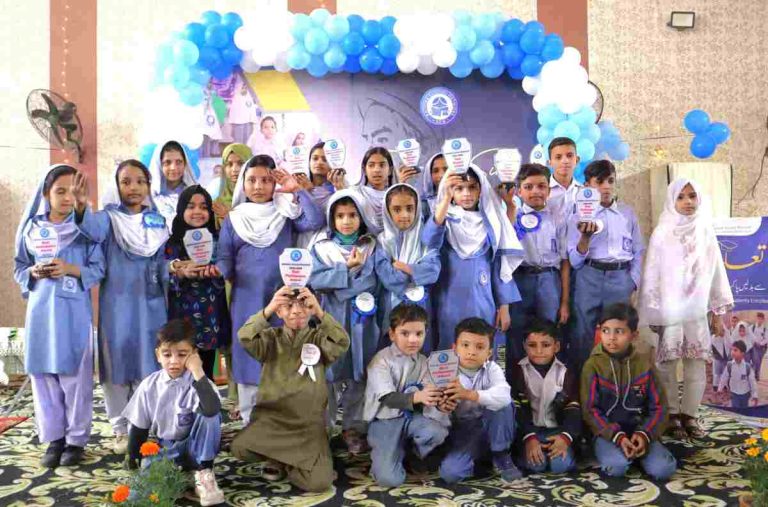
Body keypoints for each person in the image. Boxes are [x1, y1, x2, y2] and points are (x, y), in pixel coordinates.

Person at [216, 154, 324, 425]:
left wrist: (295, 190)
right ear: (243, 183)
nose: (258, 186)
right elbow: (224, 257)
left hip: (285, 299)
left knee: (282, 354)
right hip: (246, 298)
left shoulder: (285, 211)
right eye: (252, 180)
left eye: (266, 180)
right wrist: (219, 271)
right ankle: (251, 422)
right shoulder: (235, 218)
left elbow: (313, 221)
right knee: (249, 351)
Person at [73, 160, 170, 454]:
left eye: (140, 181)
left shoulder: (158, 222)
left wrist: (176, 268)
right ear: (117, 187)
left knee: (148, 363)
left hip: (151, 304)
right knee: (116, 362)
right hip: (117, 304)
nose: (134, 188)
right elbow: (89, 226)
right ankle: (119, 428)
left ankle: (144, 427)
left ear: (148, 186)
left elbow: (162, 263)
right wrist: (80, 206)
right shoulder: (108, 219)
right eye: (126, 181)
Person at [14, 165, 105, 467]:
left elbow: (98, 269)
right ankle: (54, 439)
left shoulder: (85, 229)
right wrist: (32, 272)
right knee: (43, 374)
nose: (67, 197)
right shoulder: (31, 228)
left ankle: (76, 440)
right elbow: (19, 268)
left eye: (73, 190)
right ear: (46, 193)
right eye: (60, 191)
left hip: (73, 311)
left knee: (75, 377)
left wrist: (70, 269)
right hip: (40, 311)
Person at [639, 178, 733, 438]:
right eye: (681, 197)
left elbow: (716, 272)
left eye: (692, 195)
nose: (688, 202)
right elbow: (652, 275)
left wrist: (717, 312)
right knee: (666, 364)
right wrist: (652, 312)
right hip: (668, 310)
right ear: (672, 200)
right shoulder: (662, 232)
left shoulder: (704, 230)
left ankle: (690, 414)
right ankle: (670, 415)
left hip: (697, 310)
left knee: (695, 364)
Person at [230, 286, 350, 492]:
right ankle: (288, 460)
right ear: (279, 311)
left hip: (308, 426)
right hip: (272, 421)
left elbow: (342, 341)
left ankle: (283, 461)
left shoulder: (319, 339)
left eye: (303, 304)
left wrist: (320, 312)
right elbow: (245, 336)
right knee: (239, 448)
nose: (296, 311)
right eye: (288, 306)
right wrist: (268, 309)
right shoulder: (269, 339)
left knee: (319, 484)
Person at [123, 319, 225, 506]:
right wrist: (134, 461)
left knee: (211, 415)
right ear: (158, 355)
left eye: (182, 354)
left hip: (196, 447)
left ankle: (204, 474)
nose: (174, 362)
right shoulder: (149, 385)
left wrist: (198, 370)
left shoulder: (201, 383)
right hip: (166, 449)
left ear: (194, 354)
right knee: (140, 494)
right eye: (167, 354)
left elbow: (211, 409)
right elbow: (139, 426)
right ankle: (184, 478)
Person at [422, 165, 524, 350]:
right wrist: (445, 199)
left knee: (485, 348)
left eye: (472, 187)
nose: (466, 193)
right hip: (448, 302)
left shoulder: (491, 222)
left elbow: (500, 267)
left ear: (481, 189)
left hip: (483, 302)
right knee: (449, 348)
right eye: (459, 188)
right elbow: (429, 240)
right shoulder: (444, 219)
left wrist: (504, 306)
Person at [309, 190, 379, 453]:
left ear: (361, 217)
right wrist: (347, 270)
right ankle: (324, 429)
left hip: (363, 323)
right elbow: (315, 279)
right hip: (331, 320)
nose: (347, 221)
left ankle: (352, 427)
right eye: (340, 216)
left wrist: (336, 283)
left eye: (352, 215)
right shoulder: (321, 248)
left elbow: (372, 281)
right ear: (332, 219)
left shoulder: (371, 246)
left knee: (359, 373)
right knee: (329, 375)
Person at [581, 303, 676, 480]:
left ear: (634, 335)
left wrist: (644, 434)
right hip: (607, 433)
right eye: (606, 331)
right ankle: (621, 454)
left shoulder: (644, 364)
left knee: (664, 470)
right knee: (616, 468)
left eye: (619, 331)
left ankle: (638, 450)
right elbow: (590, 411)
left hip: (639, 429)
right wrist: (617, 437)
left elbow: (659, 407)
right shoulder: (592, 365)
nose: (611, 338)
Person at [567, 160, 644, 371]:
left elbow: (638, 250)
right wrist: (585, 237)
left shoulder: (627, 213)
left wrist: (632, 281)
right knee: (582, 332)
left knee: (618, 332)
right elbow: (574, 260)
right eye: (599, 181)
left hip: (620, 277)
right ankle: (582, 387)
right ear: (588, 186)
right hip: (588, 275)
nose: (606, 187)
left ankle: (617, 383)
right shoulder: (578, 215)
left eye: (610, 181)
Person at [364, 304, 450, 488]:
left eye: (419, 334)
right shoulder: (381, 360)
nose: (413, 340)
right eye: (405, 333)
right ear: (392, 334)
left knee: (437, 431)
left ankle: (412, 453)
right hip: (385, 421)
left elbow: (428, 396)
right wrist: (418, 397)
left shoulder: (425, 361)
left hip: (412, 419)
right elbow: (388, 398)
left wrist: (441, 401)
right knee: (389, 479)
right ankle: (385, 454)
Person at [438, 318, 521, 484]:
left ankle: (500, 453)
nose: (471, 352)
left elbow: (503, 395)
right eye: (465, 345)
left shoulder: (492, 368)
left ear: (489, 353)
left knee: (503, 404)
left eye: (480, 347)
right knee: (450, 474)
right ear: (454, 348)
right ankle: (482, 459)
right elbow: (432, 405)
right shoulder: (443, 370)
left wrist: (469, 394)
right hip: (463, 431)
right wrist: (441, 407)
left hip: (490, 425)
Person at [165, 185, 231, 379]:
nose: (197, 212)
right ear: (181, 210)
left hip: (210, 319)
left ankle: (207, 409)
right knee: (180, 373)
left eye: (203, 207)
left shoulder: (218, 239)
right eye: (191, 206)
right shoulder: (172, 243)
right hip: (182, 319)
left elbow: (227, 266)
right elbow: (164, 277)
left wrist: (217, 272)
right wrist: (181, 273)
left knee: (205, 373)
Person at [506, 163, 570, 364]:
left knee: (550, 332)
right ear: (518, 191)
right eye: (529, 186)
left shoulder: (557, 219)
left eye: (541, 186)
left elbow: (565, 262)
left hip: (549, 279)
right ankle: (518, 385)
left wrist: (564, 302)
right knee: (516, 332)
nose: (536, 191)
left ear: (549, 190)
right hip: (519, 279)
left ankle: (552, 385)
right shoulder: (512, 217)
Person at [508, 318, 581, 474]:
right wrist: (529, 437)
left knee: (559, 467)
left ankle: (565, 451)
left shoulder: (565, 371)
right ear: (524, 346)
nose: (539, 351)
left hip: (558, 431)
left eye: (546, 345)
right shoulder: (518, 370)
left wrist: (565, 437)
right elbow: (517, 410)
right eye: (532, 345)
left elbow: (573, 407)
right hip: (530, 430)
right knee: (536, 466)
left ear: (556, 346)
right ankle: (525, 451)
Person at [375, 183, 440, 352]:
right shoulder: (382, 241)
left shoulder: (426, 238)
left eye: (410, 208)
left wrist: (405, 268)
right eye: (397, 209)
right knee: (392, 349)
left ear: (417, 209)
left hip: (421, 305)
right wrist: (416, 272)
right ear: (387, 211)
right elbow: (388, 277)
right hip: (391, 304)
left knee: (420, 346)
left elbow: (433, 271)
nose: (404, 215)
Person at [147, 140, 198, 228]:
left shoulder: (196, 194)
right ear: (159, 165)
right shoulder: (148, 196)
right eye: (167, 162)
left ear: (185, 164)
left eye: (178, 162)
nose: (173, 168)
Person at [212, 143, 252, 230]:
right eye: (229, 164)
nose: (234, 169)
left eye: (241, 163)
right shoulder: (217, 204)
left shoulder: (260, 200)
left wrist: (231, 216)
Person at [547, 137, 581, 219]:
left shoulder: (584, 191)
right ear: (550, 163)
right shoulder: (542, 190)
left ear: (577, 160)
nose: (565, 161)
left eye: (569, 156)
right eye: (558, 157)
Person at [718, 340, 758, 408]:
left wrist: (755, 395)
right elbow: (724, 378)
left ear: (742, 353)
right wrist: (720, 388)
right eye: (732, 350)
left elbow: (752, 382)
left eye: (735, 350)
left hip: (745, 394)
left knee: (744, 410)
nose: (732, 352)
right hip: (734, 393)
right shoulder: (729, 365)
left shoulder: (747, 367)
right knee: (736, 410)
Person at [419, 153, 447, 221]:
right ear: (429, 175)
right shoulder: (423, 205)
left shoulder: (465, 199)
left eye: (446, 169)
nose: (441, 175)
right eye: (435, 171)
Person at [711, 315, 731, 392]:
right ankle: (715, 386)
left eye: (723, 330)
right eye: (721, 330)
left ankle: (724, 385)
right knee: (717, 373)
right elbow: (711, 347)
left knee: (724, 373)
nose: (722, 332)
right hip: (717, 358)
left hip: (725, 358)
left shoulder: (726, 337)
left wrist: (726, 332)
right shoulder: (714, 337)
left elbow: (730, 342)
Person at [753, 313, 767, 380]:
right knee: (756, 360)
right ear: (756, 318)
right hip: (754, 346)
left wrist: (761, 343)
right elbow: (750, 336)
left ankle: (757, 372)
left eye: (761, 319)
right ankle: (755, 373)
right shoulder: (752, 327)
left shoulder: (765, 329)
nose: (759, 320)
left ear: (763, 319)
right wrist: (755, 342)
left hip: (762, 348)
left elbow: (766, 338)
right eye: (758, 318)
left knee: (759, 361)